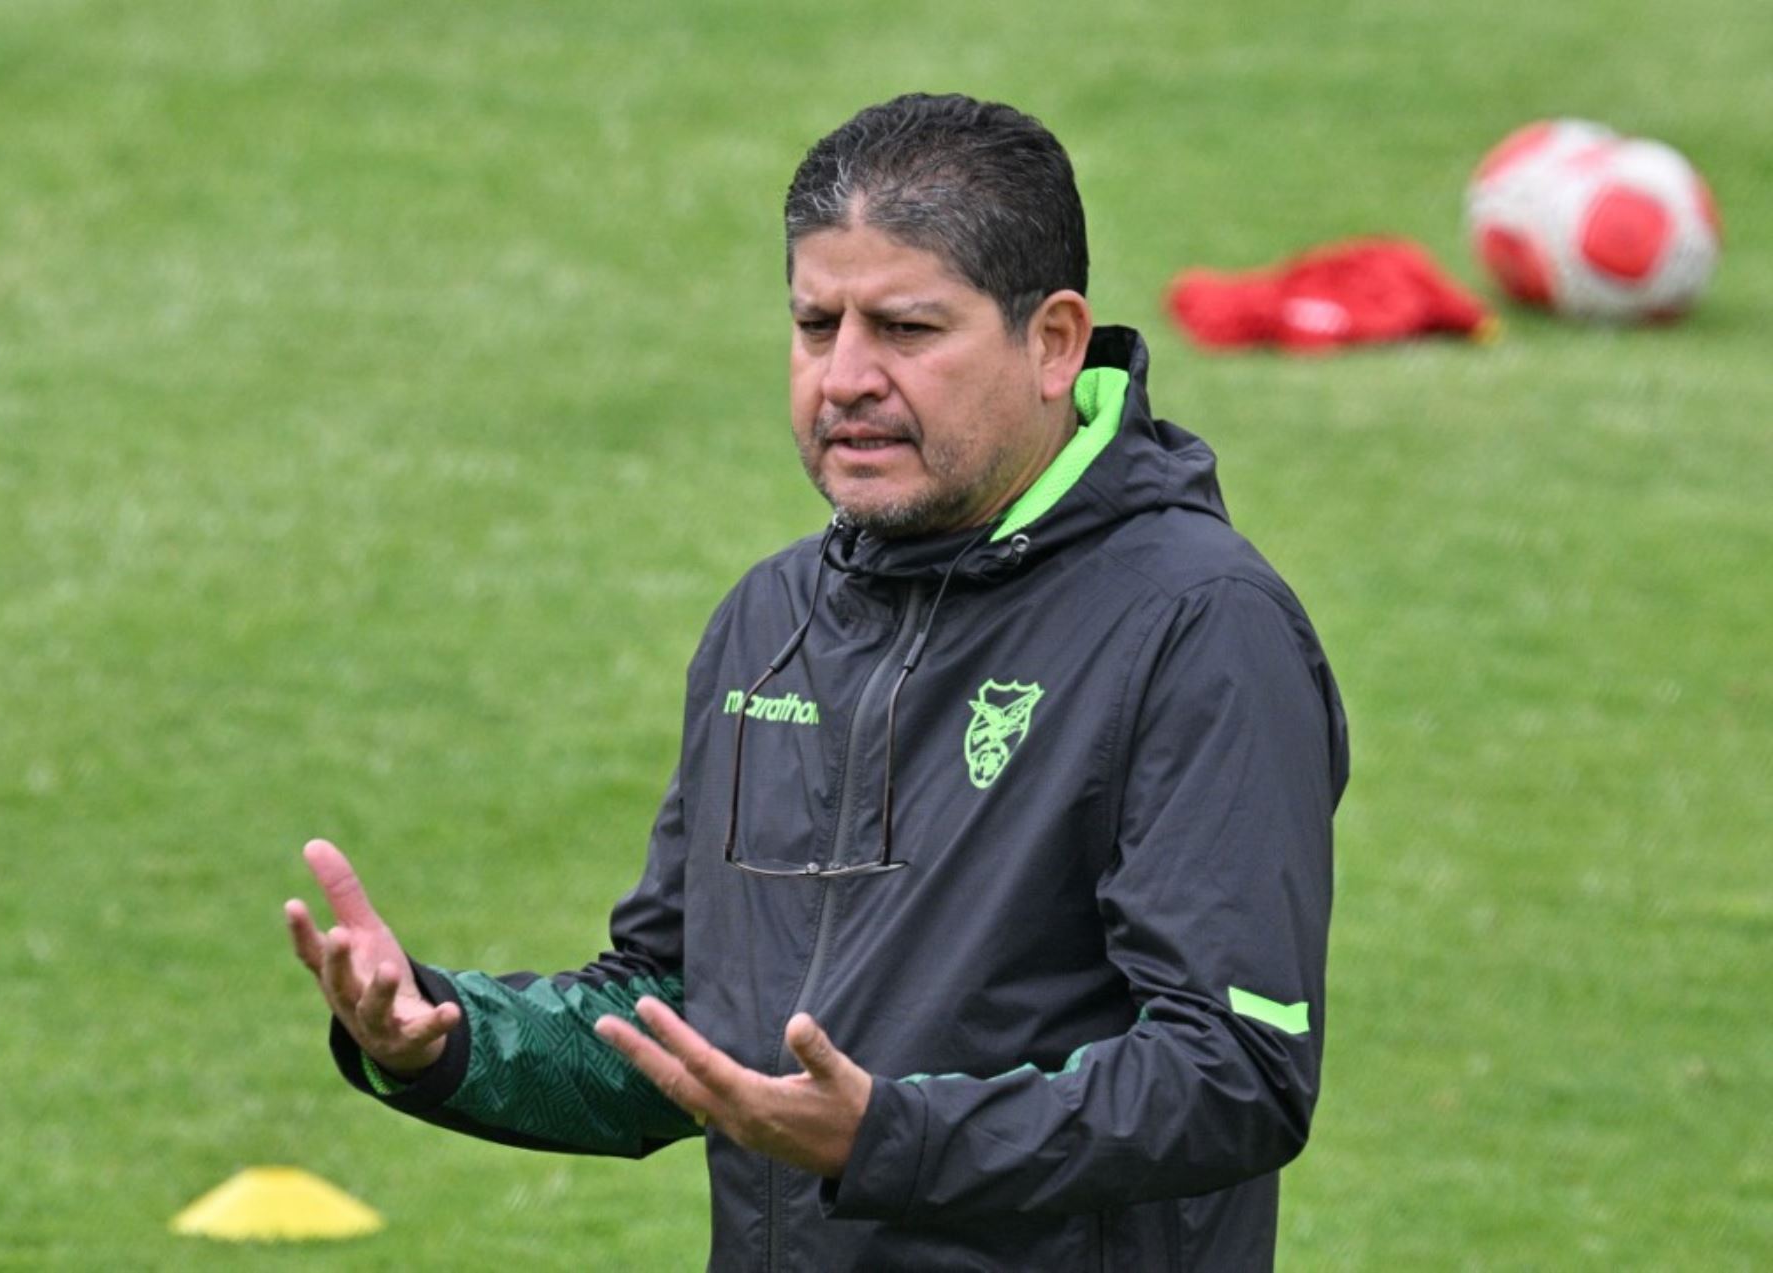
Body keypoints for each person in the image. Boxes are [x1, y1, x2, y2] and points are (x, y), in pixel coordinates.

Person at [286, 92, 1349, 1271]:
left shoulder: (1199, 626)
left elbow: (1235, 1072)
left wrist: (890, 1138)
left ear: (1052, 342)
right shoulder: (773, 620)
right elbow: (680, 1013)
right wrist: (444, 1038)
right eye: (814, 324)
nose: (845, 377)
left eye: (905, 329)